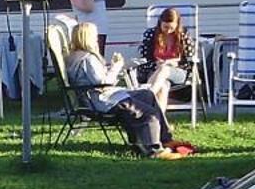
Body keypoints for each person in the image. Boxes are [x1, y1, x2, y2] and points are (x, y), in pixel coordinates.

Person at [64, 22, 180, 158]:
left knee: (147, 95)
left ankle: (165, 139)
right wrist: (116, 67)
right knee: (149, 114)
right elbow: (103, 83)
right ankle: (154, 150)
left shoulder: (77, 56)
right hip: (103, 101)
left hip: (100, 97)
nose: (96, 39)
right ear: (87, 38)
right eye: (94, 36)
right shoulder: (87, 58)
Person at [136, 6, 198, 107]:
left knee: (165, 69)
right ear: (160, 23)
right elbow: (145, 58)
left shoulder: (183, 35)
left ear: (177, 25)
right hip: (154, 70)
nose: (168, 31)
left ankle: (147, 96)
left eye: (171, 28)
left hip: (178, 71)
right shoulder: (151, 35)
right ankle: (158, 120)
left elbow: (189, 60)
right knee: (163, 87)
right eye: (165, 27)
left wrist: (173, 62)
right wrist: (156, 63)